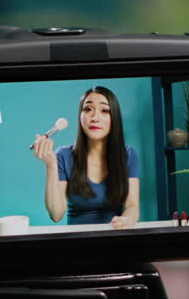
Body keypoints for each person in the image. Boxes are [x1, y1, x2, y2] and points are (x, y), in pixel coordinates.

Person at [31, 87, 140, 228]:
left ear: (115, 117)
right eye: (88, 109)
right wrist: (51, 165)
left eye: (104, 110)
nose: (94, 118)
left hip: (115, 234)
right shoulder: (63, 155)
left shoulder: (128, 155)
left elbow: (132, 205)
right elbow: (56, 214)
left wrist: (126, 220)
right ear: (80, 116)